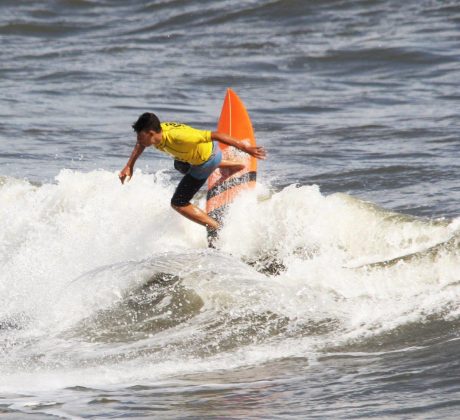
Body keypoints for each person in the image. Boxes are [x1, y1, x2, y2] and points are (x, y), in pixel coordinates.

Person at [119, 112, 266, 233]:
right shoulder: (158, 133)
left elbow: (216, 135)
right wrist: (129, 166)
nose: (139, 141)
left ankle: (215, 226)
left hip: (207, 160)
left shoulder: (179, 137)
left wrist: (245, 148)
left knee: (178, 203)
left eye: (141, 137)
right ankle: (231, 165)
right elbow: (140, 144)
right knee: (179, 165)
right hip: (198, 156)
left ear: (151, 133)